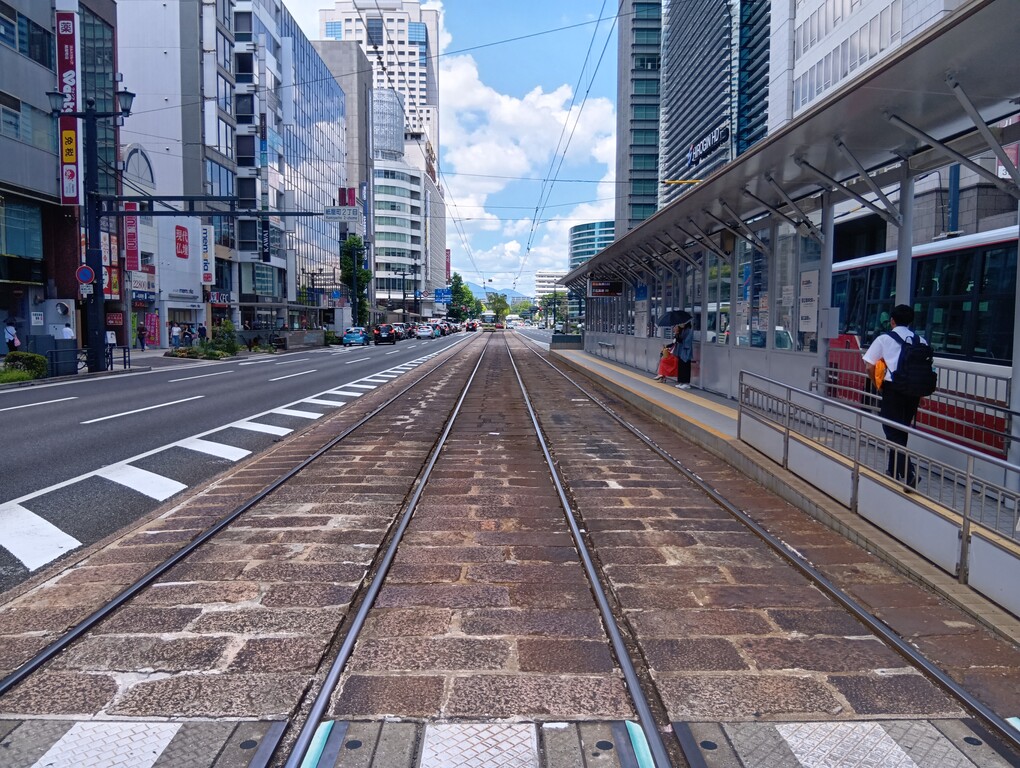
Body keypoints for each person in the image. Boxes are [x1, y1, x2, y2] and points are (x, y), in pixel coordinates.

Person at [863, 303, 926, 488]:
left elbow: (869, 366)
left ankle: (909, 472)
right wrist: (921, 393)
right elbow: (925, 370)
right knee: (901, 430)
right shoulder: (921, 341)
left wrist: (877, 384)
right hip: (913, 392)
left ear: (892, 321)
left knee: (891, 430)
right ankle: (892, 471)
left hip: (893, 389)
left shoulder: (884, 339)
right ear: (910, 321)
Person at [674, 320, 693, 390]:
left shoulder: (689, 331)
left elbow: (686, 341)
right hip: (681, 351)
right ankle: (681, 382)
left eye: (683, 323)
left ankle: (686, 383)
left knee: (685, 367)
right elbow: (678, 340)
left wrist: (678, 335)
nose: (681, 324)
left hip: (686, 351)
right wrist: (677, 333)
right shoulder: (682, 330)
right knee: (681, 367)